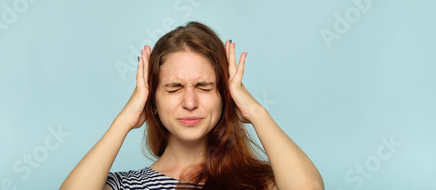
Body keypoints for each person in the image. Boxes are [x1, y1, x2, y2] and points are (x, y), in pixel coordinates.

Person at [59, 21, 324, 190]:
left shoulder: (260, 182)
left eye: (204, 87)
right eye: (174, 88)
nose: (189, 102)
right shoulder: (126, 185)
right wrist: (124, 120)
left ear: (225, 95)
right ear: (152, 99)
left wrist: (256, 112)